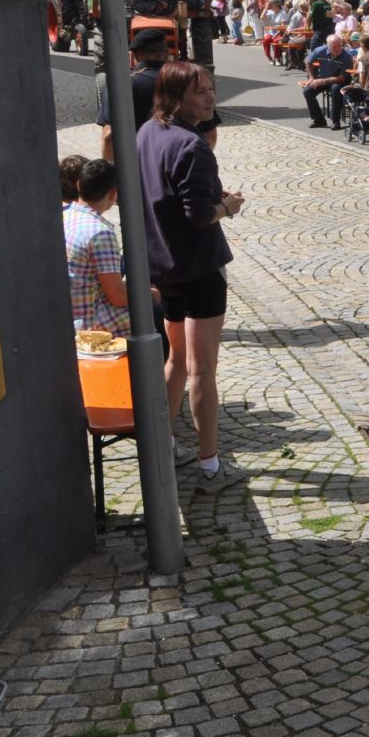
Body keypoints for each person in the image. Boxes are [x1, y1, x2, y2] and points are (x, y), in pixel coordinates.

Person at [135, 61, 245, 494]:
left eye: (212, 88)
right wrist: (227, 207)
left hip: (163, 266)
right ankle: (211, 466)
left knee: (176, 361)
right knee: (202, 371)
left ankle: (164, 444)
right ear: (175, 96)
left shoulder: (147, 132)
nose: (211, 97)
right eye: (201, 91)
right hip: (198, 269)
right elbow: (199, 216)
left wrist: (208, 196)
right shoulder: (192, 145)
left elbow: (164, 194)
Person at [98, 28, 221, 161]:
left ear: (134, 55)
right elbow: (210, 134)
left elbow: (109, 136)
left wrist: (113, 168)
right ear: (166, 53)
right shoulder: (187, 80)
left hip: (138, 166)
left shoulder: (121, 85)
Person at [63, 158, 132, 339]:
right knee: (156, 312)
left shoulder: (64, 217)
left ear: (79, 185)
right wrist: (148, 295)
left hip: (67, 315)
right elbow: (117, 297)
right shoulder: (100, 233)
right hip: (91, 324)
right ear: (113, 193)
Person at [302, 33, 356, 129]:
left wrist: (322, 81)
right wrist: (312, 78)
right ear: (328, 46)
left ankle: (335, 121)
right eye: (334, 46)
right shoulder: (320, 50)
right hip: (324, 77)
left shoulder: (346, 56)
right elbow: (308, 61)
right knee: (307, 91)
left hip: (340, 81)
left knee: (335, 89)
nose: (337, 49)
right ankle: (319, 120)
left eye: (339, 46)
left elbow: (342, 78)